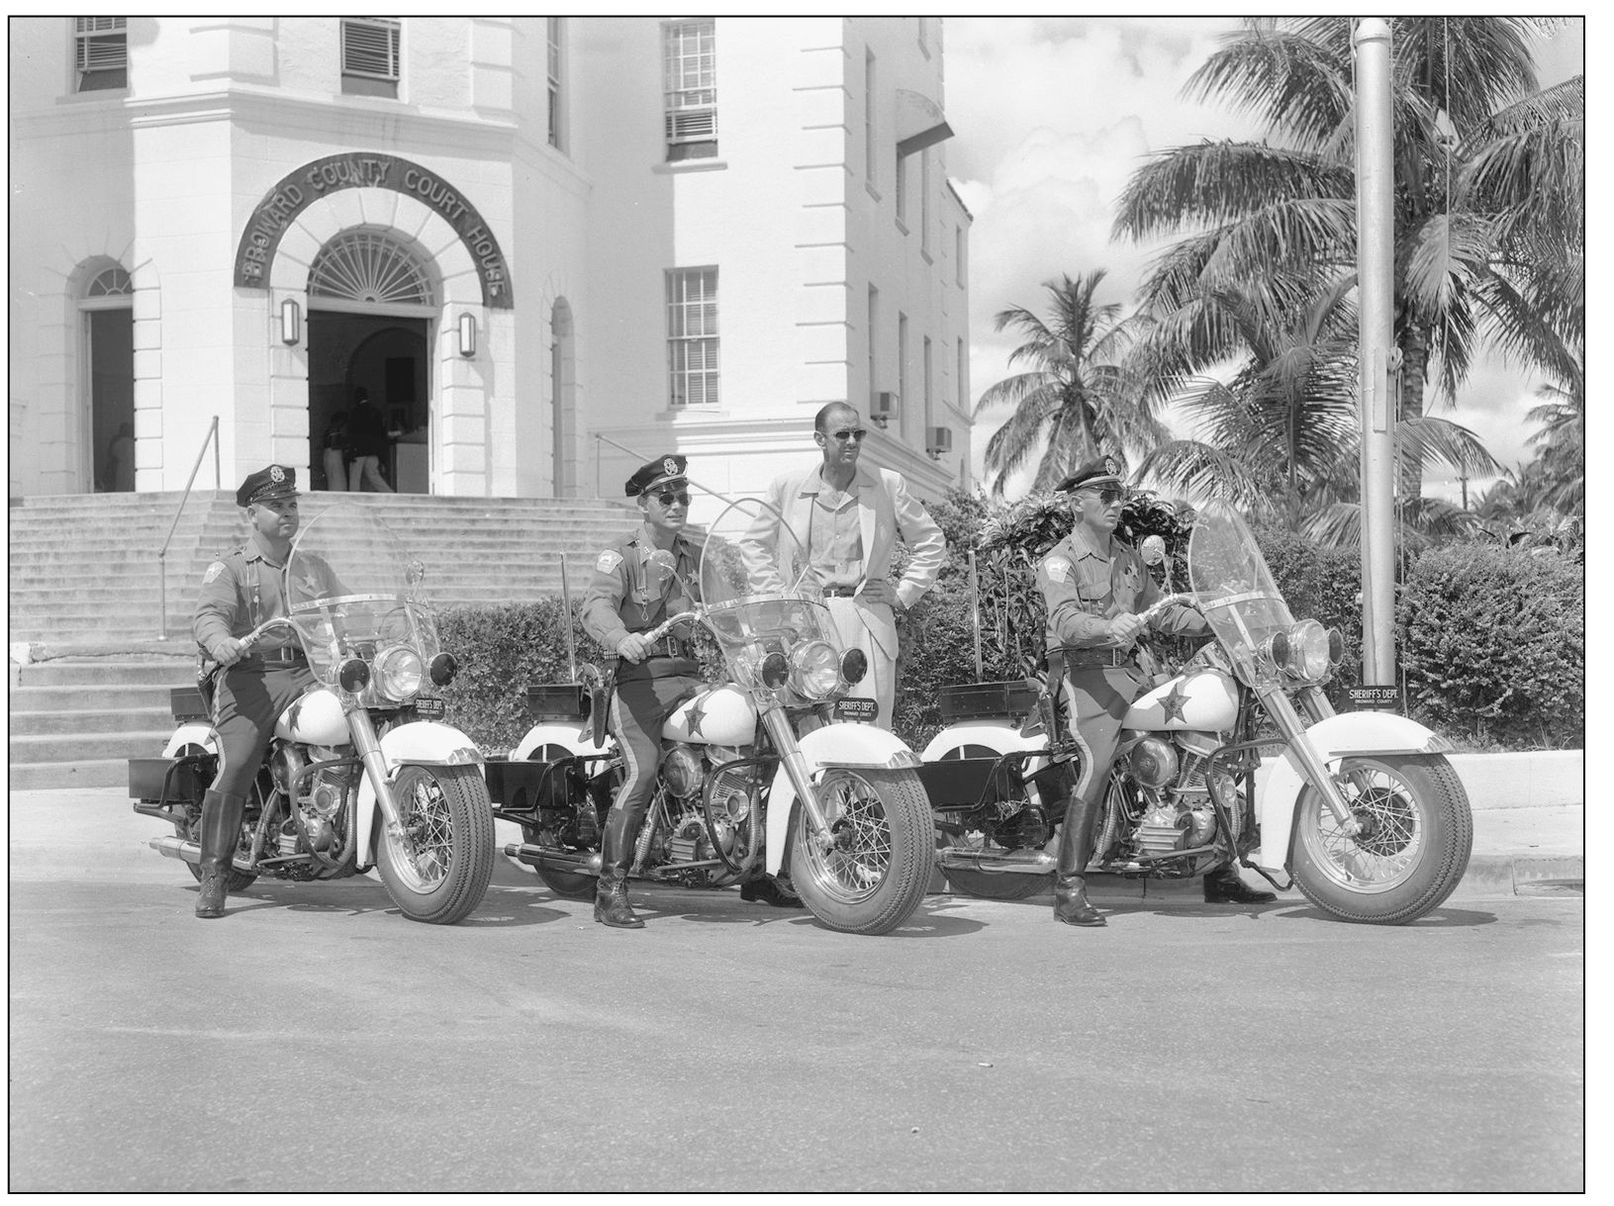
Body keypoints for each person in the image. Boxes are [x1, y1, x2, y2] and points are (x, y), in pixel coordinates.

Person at [1034, 456, 1277, 927]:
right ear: (1076, 503)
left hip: (1134, 674)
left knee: (1207, 747)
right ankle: (1069, 887)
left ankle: (1216, 870)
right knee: (1097, 765)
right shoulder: (1060, 561)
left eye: (1118, 494)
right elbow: (1063, 621)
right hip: (1086, 678)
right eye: (1103, 495)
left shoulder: (1126, 557)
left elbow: (1160, 613)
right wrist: (1107, 627)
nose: (1115, 503)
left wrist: (1218, 621)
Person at [748, 402, 945, 729]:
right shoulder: (787, 488)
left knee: (870, 728)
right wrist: (778, 596)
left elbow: (931, 540)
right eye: (842, 434)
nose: (852, 442)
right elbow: (754, 543)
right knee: (816, 730)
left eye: (858, 433)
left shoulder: (887, 485)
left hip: (867, 620)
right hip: (807, 623)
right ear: (820, 439)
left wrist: (902, 593)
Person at [579, 455, 704, 929]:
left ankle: (760, 871)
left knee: (749, 744)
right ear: (643, 503)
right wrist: (620, 637)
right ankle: (610, 888)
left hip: (689, 677)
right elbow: (596, 607)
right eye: (666, 497)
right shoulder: (623, 554)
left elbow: (729, 604)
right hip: (639, 681)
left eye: (683, 497)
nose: (677, 505)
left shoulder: (694, 555)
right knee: (644, 772)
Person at [190, 465, 318, 919]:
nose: (288, 512)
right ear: (253, 514)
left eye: (292, 504)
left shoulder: (313, 566)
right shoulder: (230, 569)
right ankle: (215, 874)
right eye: (277, 506)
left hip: (310, 673)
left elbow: (345, 609)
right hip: (251, 677)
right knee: (239, 762)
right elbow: (209, 615)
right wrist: (220, 640)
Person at [346, 388, 393, 493]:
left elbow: (352, 432)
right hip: (373, 450)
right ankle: (390, 494)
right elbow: (381, 433)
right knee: (374, 476)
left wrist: (350, 450)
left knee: (355, 478)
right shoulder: (376, 412)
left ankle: (353, 501)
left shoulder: (355, 411)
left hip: (358, 450)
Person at [321, 410, 349, 491]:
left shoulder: (330, 429)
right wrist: (345, 445)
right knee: (336, 477)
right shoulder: (334, 429)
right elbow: (334, 445)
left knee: (333, 477)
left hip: (330, 455)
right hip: (334, 456)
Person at [107, 422, 135, 492]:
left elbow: (111, 454)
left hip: (124, 468)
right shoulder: (123, 442)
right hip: (123, 468)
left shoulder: (121, 442)